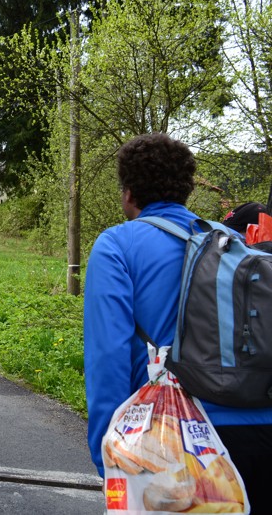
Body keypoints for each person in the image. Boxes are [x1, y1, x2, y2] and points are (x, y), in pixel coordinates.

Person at [83, 133, 272, 512]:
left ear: (128, 192)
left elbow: (110, 358)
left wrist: (109, 456)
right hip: (262, 430)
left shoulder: (116, 245)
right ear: (186, 189)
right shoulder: (231, 239)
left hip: (179, 443)